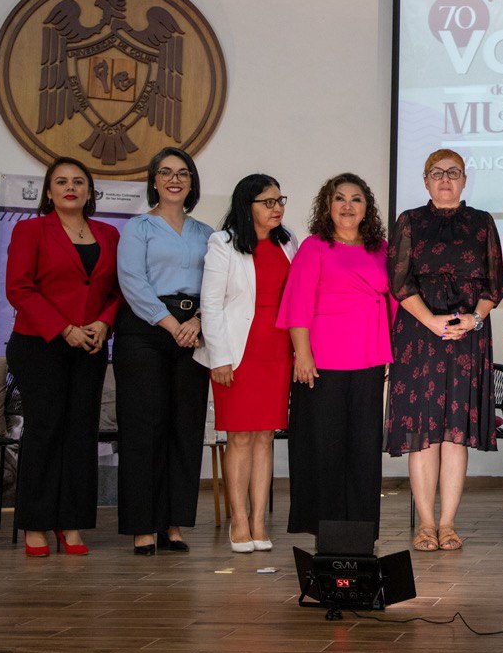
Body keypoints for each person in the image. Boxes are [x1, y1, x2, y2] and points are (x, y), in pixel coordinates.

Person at [385, 150, 503, 553]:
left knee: (455, 433)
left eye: (453, 173)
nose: (445, 180)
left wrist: (474, 318)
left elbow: (494, 284)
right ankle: (425, 525)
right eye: (437, 173)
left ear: (464, 179)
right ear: (425, 180)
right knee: (423, 433)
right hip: (419, 337)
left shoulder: (482, 222)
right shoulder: (410, 221)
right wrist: (431, 321)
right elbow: (399, 281)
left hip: (467, 338)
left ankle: (448, 524)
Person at [5, 157, 121, 557]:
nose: (70, 187)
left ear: (89, 191)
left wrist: (104, 322)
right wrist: (63, 328)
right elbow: (19, 288)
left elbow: (117, 290)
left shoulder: (109, 234)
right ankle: (35, 524)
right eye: (61, 181)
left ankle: (70, 523)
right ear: (49, 191)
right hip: (39, 344)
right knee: (46, 429)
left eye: (78, 181)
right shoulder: (30, 230)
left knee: (80, 433)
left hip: (89, 346)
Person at [277, 174, 394, 539]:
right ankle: (325, 532)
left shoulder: (381, 248)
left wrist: (390, 352)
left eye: (356, 199)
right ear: (327, 206)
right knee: (324, 449)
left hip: (369, 360)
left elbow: (393, 302)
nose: (347, 205)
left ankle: (360, 534)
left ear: (366, 207)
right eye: (339, 198)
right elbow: (297, 304)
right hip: (322, 363)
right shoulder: (314, 246)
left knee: (363, 450)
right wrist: (302, 354)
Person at [114, 147, 214, 555]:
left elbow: (218, 285)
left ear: (192, 182)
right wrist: (172, 324)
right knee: (144, 429)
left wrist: (199, 322)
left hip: (195, 331)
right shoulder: (137, 228)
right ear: (154, 181)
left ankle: (172, 523)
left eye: (183, 173)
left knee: (184, 429)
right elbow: (132, 281)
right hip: (146, 331)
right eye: (166, 172)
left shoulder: (207, 233)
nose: (175, 179)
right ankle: (143, 525)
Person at [194, 175, 298, 553]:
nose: (277, 208)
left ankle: (258, 521)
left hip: (278, 351)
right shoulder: (223, 243)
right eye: (268, 202)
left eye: (280, 200)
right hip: (238, 353)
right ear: (246, 205)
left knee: (265, 437)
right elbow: (211, 305)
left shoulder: (288, 241)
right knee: (239, 437)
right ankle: (238, 520)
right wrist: (219, 357)